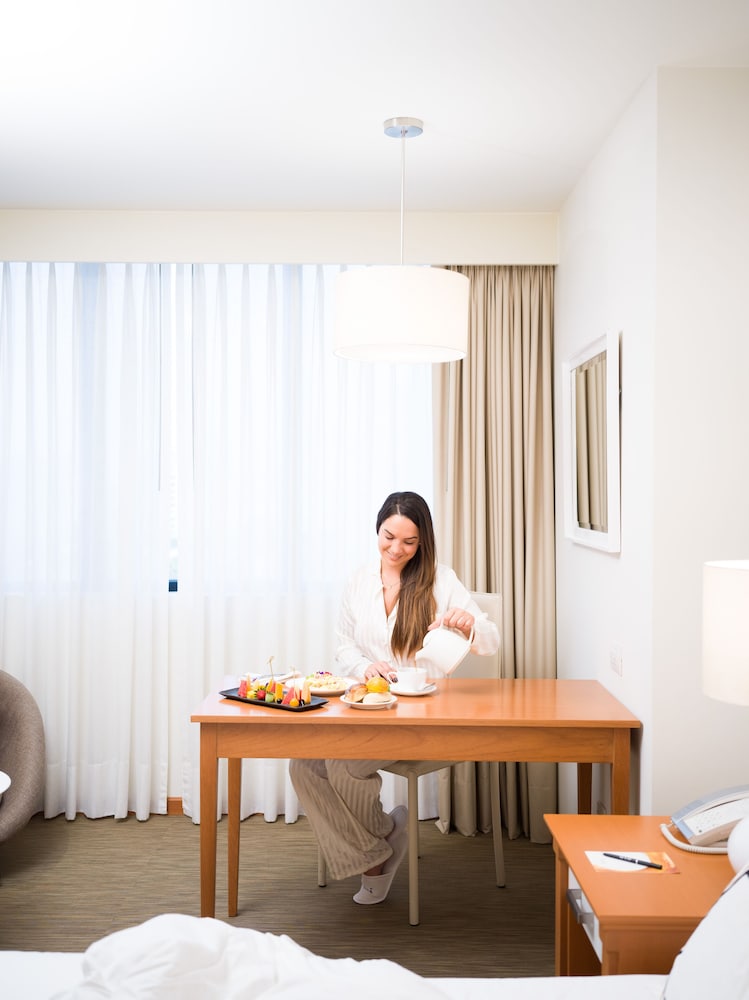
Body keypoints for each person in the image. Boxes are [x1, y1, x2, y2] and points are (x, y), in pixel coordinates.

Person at [289, 491, 500, 906]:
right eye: (389, 537)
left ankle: (371, 863)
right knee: (304, 765)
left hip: (422, 716)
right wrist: (365, 666)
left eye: (409, 542)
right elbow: (344, 645)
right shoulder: (360, 579)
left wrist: (469, 624)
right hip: (367, 708)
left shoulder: (440, 580)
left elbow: (490, 641)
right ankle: (382, 839)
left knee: (343, 764)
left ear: (423, 542)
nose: (396, 549)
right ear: (378, 529)